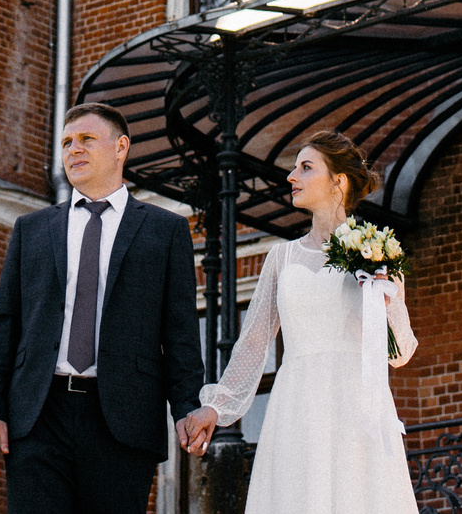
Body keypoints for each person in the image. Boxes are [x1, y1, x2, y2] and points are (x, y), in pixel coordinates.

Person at [0, 103, 206, 514]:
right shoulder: (31, 229)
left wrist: (187, 407)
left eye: (86, 139)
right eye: (66, 143)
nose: (73, 150)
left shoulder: (165, 230)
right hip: (37, 415)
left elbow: (180, 331)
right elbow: (3, 326)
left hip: (123, 419)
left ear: (120, 147)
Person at [175, 130, 419, 514]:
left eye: (306, 167)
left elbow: (400, 352)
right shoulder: (281, 258)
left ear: (338, 181)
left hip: (355, 407)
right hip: (297, 407)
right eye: (295, 168)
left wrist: (385, 296)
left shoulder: (379, 253)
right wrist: (216, 407)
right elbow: (253, 344)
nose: (291, 176)